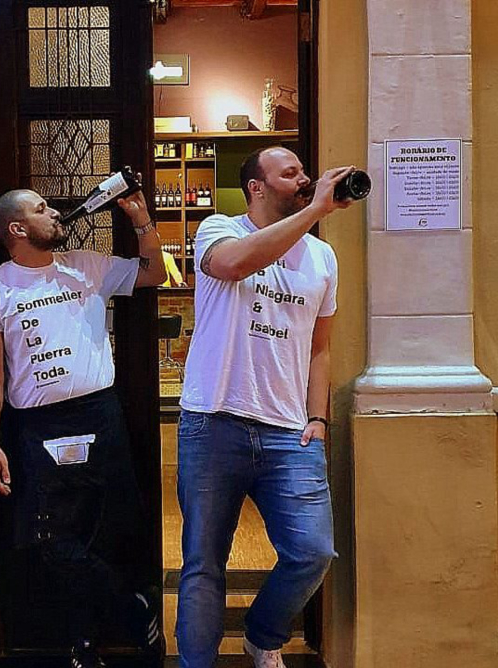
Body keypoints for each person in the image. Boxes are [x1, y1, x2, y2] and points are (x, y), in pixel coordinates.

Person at [176, 147, 358, 668]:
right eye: (290, 173)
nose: (304, 179)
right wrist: (316, 210)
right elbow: (234, 264)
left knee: (312, 552)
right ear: (256, 187)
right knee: (203, 563)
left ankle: (262, 634)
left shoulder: (322, 257)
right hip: (213, 422)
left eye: (304, 172)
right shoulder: (218, 229)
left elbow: (320, 347)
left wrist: (318, 417)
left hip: (289, 431)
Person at [0, 187, 166, 668]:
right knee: (50, 541)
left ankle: (89, 640)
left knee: (108, 529)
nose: (54, 212)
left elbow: (154, 273)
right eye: (41, 209)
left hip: (100, 414)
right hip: (38, 425)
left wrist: (142, 221)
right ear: (17, 229)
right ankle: (126, 610)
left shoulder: (86, 266)